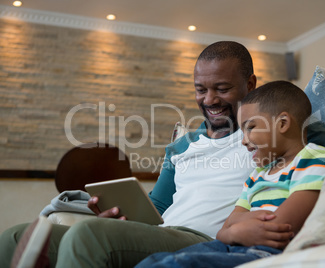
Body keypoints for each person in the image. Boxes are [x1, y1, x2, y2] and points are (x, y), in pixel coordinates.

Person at [0, 41, 294, 268]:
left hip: (204, 240)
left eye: (222, 88)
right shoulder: (181, 146)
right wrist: (117, 213)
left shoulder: (265, 137)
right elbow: (157, 205)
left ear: (251, 84)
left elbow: (302, 166)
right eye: (200, 89)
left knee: (87, 235)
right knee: (13, 238)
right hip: (163, 233)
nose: (209, 100)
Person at [136, 81, 325, 268]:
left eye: (250, 128)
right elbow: (224, 230)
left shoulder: (314, 159)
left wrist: (237, 228)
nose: (244, 140)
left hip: (267, 252)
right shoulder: (258, 175)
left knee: (179, 264)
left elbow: (278, 228)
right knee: (155, 260)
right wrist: (238, 230)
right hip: (232, 245)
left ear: (283, 123)